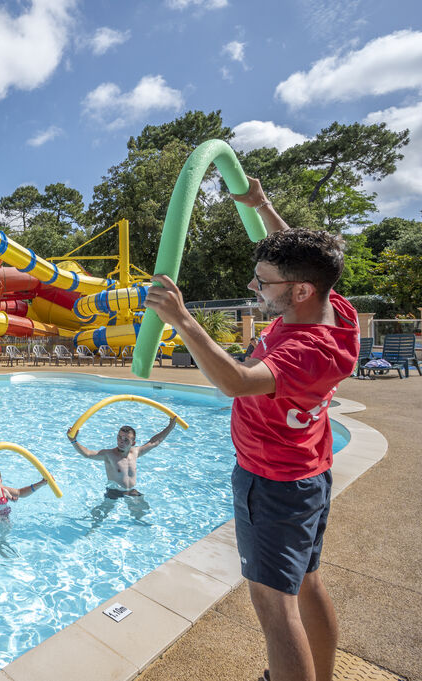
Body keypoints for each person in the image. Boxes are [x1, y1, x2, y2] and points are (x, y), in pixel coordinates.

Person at [143, 177, 358, 681]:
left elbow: (236, 382)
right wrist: (262, 206)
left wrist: (183, 320)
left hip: (274, 482)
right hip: (309, 472)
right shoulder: (334, 312)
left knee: (274, 609)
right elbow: (303, 257)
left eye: (262, 282)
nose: (253, 288)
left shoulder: (307, 350)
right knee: (307, 584)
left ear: (299, 292)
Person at [68, 418, 178, 498]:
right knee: (100, 517)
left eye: (126, 440)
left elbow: (154, 442)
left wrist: (170, 427)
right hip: (113, 491)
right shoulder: (109, 455)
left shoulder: (135, 452)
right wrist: (73, 441)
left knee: (142, 513)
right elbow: (87, 454)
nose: (121, 441)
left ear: (133, 442)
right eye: (119, 437)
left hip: (131, 491)